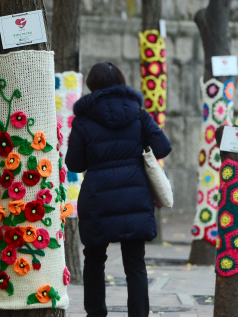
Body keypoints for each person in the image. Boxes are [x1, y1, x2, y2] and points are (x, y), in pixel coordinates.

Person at [65, 62, 171, 317]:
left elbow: (75, 164)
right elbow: (164, 147)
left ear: (92, 85)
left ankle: (96, 313)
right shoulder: (138, 114)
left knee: (93, 260)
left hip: (97, 197)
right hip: (135, 194)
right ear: (122, 81)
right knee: (135, 263)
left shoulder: (83, 120)